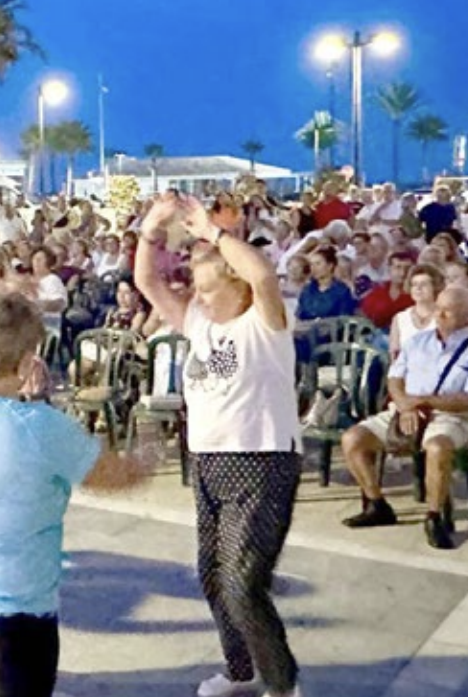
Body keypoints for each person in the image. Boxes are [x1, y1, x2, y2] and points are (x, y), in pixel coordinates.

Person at [0, 293, 150, 697]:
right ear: (28, 363)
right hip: (11, 623)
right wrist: (146, 456)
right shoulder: (41, 426)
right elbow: (110, 474)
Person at [135, 192, 304, 697]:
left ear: (234, 285)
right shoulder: (199, 323)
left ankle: (283, 685)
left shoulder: (266, 324)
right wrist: (151, 228)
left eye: (208, 288)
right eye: (196, 288)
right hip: (209, 461)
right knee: (211, 575)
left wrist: (213, 233)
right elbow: (147, 282)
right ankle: (241, 671)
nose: (198, 298)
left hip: (262, 460)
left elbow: (264, 276)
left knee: (243, 583)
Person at [340, 286, 468, 549]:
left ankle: (434, 516)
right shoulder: (416, 342)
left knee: (437, 447)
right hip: (405, 408)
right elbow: (395, 378)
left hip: (450, 416)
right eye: (439, 308)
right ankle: (377, 504)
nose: (440, 314)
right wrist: (405, 405)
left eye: (449, 310)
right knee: (353, 438)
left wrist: (424, 402)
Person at [389, 264, 444, 361]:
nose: (418, 288)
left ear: (435, 287)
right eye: (414, 284)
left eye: (424, 284)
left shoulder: (444, 316)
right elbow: (394, 356)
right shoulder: (399, 318)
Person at [295, 246, 356, 321]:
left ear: (330, 266)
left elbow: (344, 319)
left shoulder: (342, 291)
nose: (313, 268)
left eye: (318, 264)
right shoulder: (307, 290)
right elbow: (299, 315)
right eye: (311, 264)